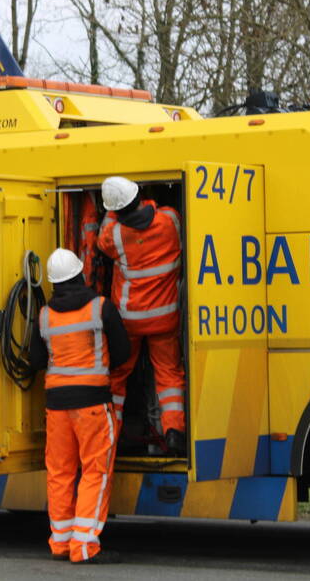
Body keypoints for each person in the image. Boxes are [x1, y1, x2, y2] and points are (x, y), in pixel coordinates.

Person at [29, 248, 130, 564]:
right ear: (80, 274)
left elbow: (34, 361)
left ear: (54, 283)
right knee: (95, 472)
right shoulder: (100, 308)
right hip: (92, 405)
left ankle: (61, 543)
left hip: (57, 407)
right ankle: (84, 546)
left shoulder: (44, 316)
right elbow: (124, 352)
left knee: (59, 473)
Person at [96, 176, 186, 455]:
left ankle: (111, 435)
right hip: (165, 318)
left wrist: (113, 208)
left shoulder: (115, 235)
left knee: (119, 376)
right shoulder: (171, 219)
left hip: (129, 321)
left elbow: (103, 236)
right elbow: (156, 209)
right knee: (169, 375)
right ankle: (173, 432)